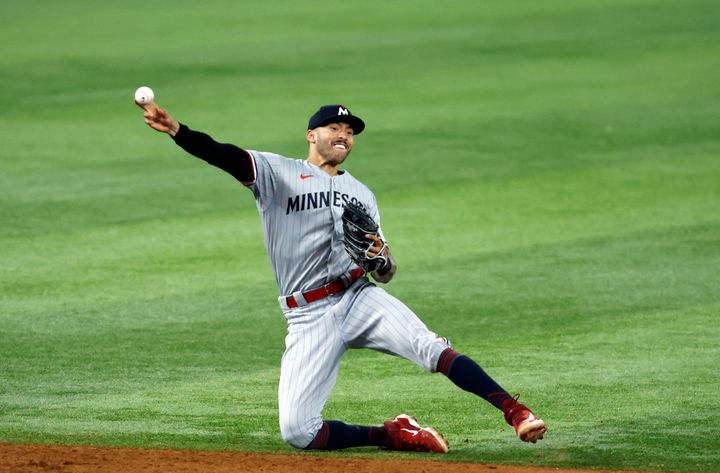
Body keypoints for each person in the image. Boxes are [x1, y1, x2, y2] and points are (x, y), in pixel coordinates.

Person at [136, 99, 547, 453]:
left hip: (358, 298)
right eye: (335, 127)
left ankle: (515, 411)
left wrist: (382, 263)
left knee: (427, 346)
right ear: (311, 135)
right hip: (306, 316)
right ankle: (392, 434)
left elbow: (384, 269)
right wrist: (177, 129)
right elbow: (223, 155)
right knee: (298, 431)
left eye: (350, 131)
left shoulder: (363, 193)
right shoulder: (277, 174)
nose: (344, 135)